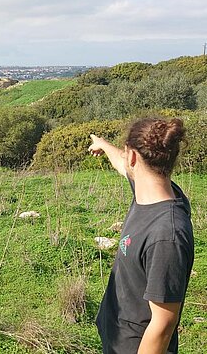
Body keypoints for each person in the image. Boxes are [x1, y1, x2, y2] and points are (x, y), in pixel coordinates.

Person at [89, 118, 194, 354]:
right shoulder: (151, 190)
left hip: (135, 346)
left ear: (135, 158)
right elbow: (120, 163)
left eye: (127, 155)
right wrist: (104, 145)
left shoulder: (167, 235)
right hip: (118, 337)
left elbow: (163, 323)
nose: (124, 160)